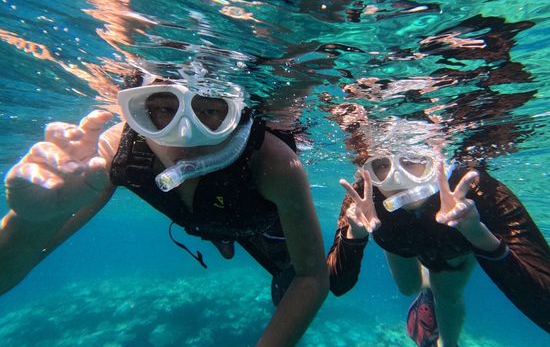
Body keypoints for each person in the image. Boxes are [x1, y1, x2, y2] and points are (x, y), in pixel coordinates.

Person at [1, 76, 329, 347]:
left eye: (211, 111)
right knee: (213, 223)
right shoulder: (116, 149)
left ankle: (225, 238)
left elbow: (312, 276)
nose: (184, 136)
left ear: (237, 113)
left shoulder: (275, 162)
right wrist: (31, 223)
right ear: (138, 109)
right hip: (207, 217)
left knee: (291, 278)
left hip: (258, 223)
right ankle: (221, 238)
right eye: (162, 109)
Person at [326, 116, 550, 347]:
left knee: (446, 294)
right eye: (382, 165)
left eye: (412, 159)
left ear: (436, 158)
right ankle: (426, 287)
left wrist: (478, 235)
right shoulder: (363, 198)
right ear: (367, 170)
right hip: (397, 239)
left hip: (451, 245)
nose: (397, 178)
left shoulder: (479, 191)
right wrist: (354, 237)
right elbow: (337, 285)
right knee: (408, 288)